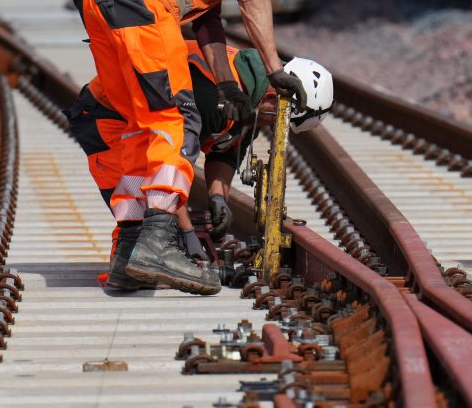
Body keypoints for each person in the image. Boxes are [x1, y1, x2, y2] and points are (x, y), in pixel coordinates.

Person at [73, 0, 324, 295]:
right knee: (176, 119)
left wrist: (226, 83)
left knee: (141, 123)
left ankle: (130, 253)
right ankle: (156, 243)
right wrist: (273, 67)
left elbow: (206, 15)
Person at [68, 44, 333, 292]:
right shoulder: (212, 92)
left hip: (141, 124)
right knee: (136, 206)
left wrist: (218, 197)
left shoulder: (251, 99)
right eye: (273, 119)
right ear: (274, 96)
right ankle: (125, 265)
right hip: (108, 117)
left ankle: (137, 263)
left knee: (152, 217)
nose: (270, 125)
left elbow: (225, 152)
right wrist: (187, 234)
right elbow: (168, 165)